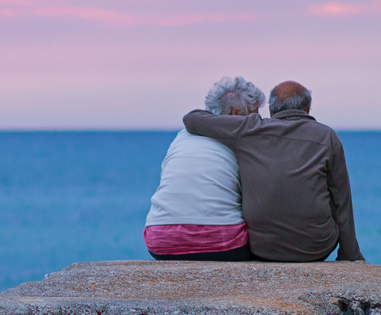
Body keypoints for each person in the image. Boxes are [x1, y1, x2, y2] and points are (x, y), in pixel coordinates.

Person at [181, 80, 363, 262]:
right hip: (315, 248)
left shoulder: (249, 128)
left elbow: (191, 119)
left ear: (271, 109)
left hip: (262, 249)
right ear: (307, 108)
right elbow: (342, 202)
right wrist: (349, 254)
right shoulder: (326, 136)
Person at [143, 76, 262, 261]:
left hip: (160, 240)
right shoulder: (240, 141)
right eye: (255, 115)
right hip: (224, 244)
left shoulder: (182, 137)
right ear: (236, 113)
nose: (259, 121)